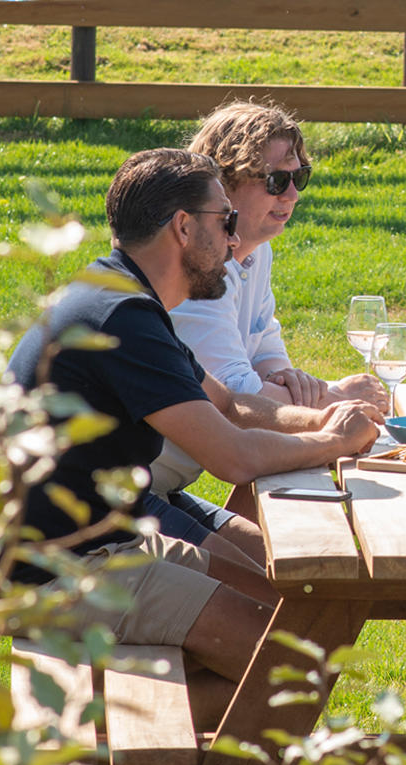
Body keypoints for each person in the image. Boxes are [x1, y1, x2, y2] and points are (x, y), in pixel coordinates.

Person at [2, 148, 382, 726]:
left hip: (104, 541)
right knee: (293, 670)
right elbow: (233, 457)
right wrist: (334, 444)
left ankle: (130, 730)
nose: (235, 241)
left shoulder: (121, 296)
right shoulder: (121, 318)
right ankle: (74, 732)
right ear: (184, 226)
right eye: (225, 221)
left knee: (291, 624)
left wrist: (322, 419)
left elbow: (228, 403)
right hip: (61, 573)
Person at [148, 101, 387, 554]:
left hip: (158, 486)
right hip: (108, 504)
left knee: (281, 569)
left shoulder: (256, 255)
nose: (293, 195)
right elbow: (236, 401)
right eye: (278, 180)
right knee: (268, 586)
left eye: (301, 177)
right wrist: (333, 403)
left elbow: (266, 354)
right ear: (221, 186)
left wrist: (291, 383)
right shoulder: (194, 276)